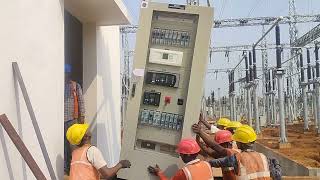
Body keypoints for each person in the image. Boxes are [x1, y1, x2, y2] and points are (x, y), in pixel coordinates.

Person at [208, 125, 281, 180]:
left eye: (236, 141)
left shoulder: (237, 158)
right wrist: (276, 163)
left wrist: (205, 164)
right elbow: (277, 176)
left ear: (241, 144)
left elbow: (216, 162)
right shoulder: (263, 157)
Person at [66, 123, 131, 180]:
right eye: (87, 130)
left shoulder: (75, 153)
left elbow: (86, 173)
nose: (89, 130)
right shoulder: (92, 151)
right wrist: (121, 164)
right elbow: (107, 174)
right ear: (86, 136)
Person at [148, 138, 214, 180]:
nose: (180, 155)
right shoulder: (207, 165)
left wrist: (159, 173)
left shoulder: (184, 172)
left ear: (188, 154)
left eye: (181, 153)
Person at [64, 64, 86, 174]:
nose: (65, 75)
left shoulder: (75, 86)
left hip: (72, 119)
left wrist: (82, 117)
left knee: (72, 146)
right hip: (60, 121)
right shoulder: (58, 85)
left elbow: (81, 101)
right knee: (63, 146)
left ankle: (74, 168)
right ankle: (66, 169)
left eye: (66, 73)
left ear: (69, 73)